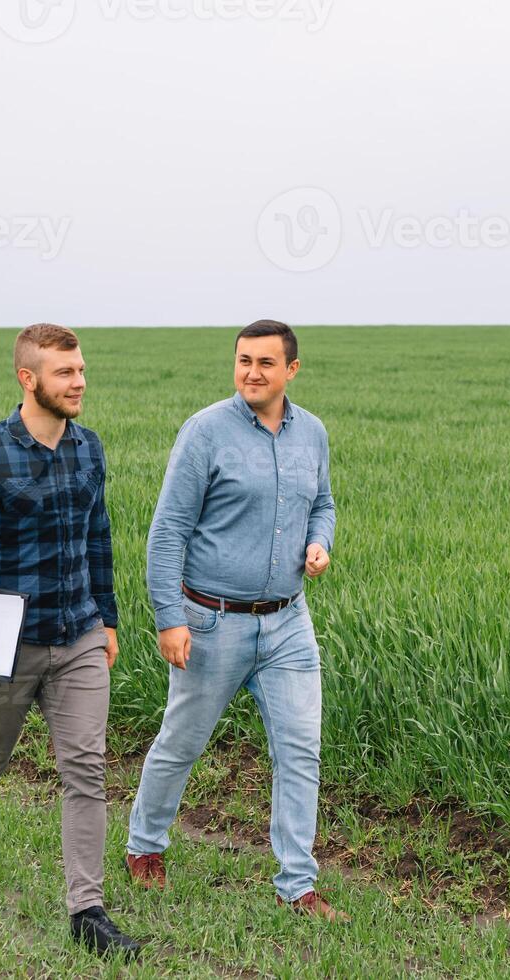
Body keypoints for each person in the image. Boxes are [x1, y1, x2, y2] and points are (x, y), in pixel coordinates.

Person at [0, 323, 139, 958]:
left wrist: (108, 620)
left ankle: (87, 911)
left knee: (87, 771)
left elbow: (98, 538)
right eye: (65, 373)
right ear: (29, 379)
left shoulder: (89, 449)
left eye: (80, 370)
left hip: (77, 636)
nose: (79, 382)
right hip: (5, 646)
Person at [126, 319, 345, 921]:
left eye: (265, 363)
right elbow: (168, 529)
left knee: (301, 751)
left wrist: (319, 542)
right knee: (182, 741)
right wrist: (170, 618)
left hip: (288, 623)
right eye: (243, 360)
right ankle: (145, 846)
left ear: (291, 370)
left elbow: (322, 502)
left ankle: (296, 884)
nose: (252, 372)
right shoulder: (206, 432)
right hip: (211, 622)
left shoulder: (313, 434)